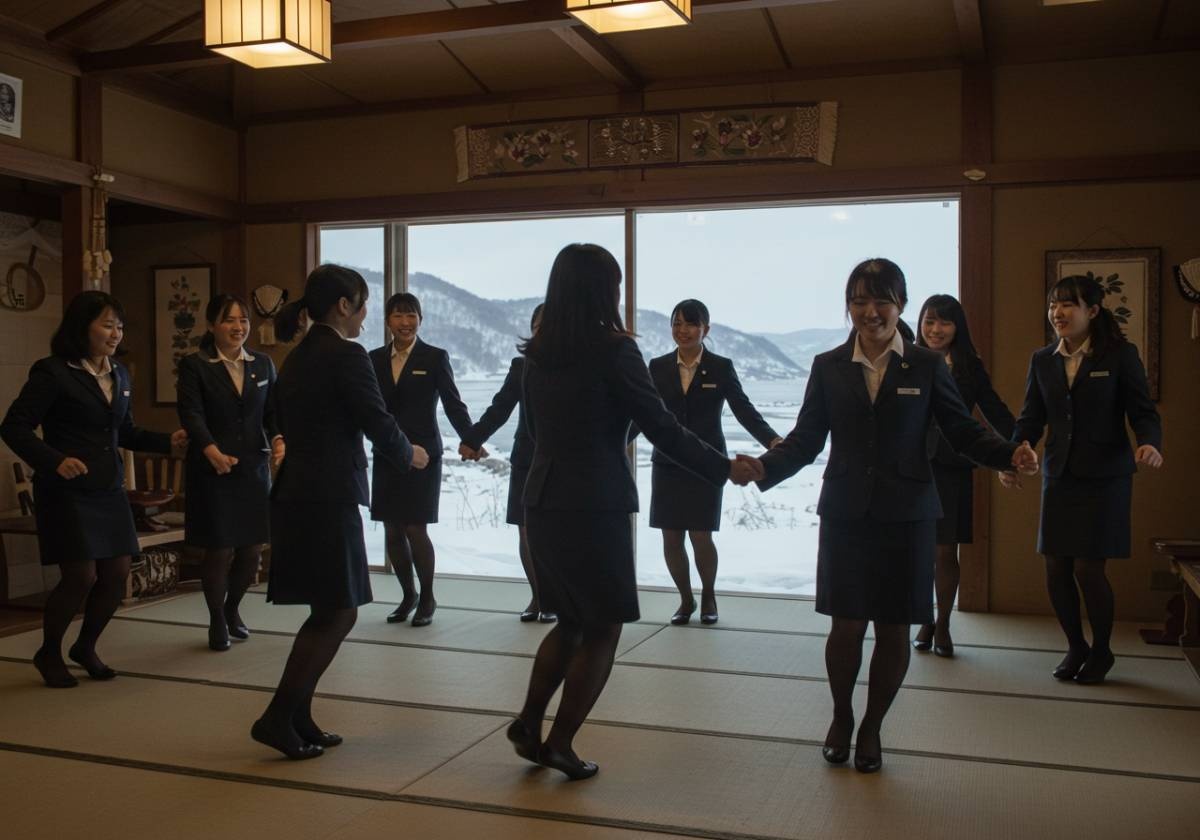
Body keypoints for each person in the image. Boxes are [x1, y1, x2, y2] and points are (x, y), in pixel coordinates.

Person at [732, 258, 1037, 773]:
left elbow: (962, 430)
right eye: (859, 301)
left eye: (881, 301)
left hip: (909, 514)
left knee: (895, 628)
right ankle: (841, 716)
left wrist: (1009, 454)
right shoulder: (828, 365)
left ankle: (873, 727)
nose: (869, 312)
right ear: (847, 306)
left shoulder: (926, 365)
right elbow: (806, 439)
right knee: (846, 626)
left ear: (901, 305)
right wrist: (765, 466)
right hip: (846, 512)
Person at [505, 243, 756, 781]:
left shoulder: (536, 351)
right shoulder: (615, 350)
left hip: (542, 500)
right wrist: (722, 467)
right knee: (603, 626)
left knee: (570, 620)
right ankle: (560, 744)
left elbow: (534, 433)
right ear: (606, 291)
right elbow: (661, 426)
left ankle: (528, 723)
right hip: (595, 505)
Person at [252, 265, 429, 760]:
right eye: (364, 302)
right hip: (328, 496)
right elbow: (376, 418)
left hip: (298, 494)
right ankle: (277, 717)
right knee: (339, 610)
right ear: (344, 305)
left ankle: (298, 716)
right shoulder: (346, 354)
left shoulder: (297, 356)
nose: (367, 314)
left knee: (327, 609)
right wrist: (409, 453)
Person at [1, 291, 187, 688]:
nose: (116, 333)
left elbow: (125, 432)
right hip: (66, 490)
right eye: (107, 325)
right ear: (81, 327)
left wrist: (167, 442)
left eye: (119, 326)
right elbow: (14, 426)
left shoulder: (119, 373)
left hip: (108, 488)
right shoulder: (53, 372)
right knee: (80, 576)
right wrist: (54, 460)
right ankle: (49, 652)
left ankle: (85, 647)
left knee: (117, 573)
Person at [1007, 274, 1162, 685]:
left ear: (1092, 311)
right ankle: (1076, 646)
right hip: (1059, 475)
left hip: (1106, 477)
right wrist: (1014, 454)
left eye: (1067, 304)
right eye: (1053, 305)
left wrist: (1150, 442)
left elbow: (1143, 411)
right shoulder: (1043, 359)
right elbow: (1030, 418)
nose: (1057, 312)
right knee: (1056, 568)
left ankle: (1103, 650)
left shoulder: (1120, 355)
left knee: (1089, 570)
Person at [644, 299, 781, 625]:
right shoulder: (658, 366)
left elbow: (743, 410)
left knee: (701, 535)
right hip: (668, 463)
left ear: (706, 328)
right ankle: (685, 599)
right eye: (677, 323)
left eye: (691, 324)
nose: (683, 330)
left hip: (708, 464)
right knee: (671, 537)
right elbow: (644, 414)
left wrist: (773, 441)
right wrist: (616, 442)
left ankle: (708, 595)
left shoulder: (720, 366)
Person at [177, 294, 284, 652]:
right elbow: (191, 413)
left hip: (252, 469)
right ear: (211, 325)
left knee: (252, 549)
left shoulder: (263, 364)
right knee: (219, 549)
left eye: (243, 321)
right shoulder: (195, 365)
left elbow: (273, 413)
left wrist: (279, 439)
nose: (238, 328)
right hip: (212, 469)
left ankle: (232, 608)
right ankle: (216, 620)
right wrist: (210, 450)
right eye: (229, 320)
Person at [912, 294, 1015, 656]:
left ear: (958, 328)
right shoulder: (908, 359)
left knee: (944, 550)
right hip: (912, 466)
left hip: (952, 465)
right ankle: (923, 616)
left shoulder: (969, 366)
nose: (935, 329)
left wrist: (1015, 451)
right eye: (929, 321)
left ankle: (942, 623)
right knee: (917, 549)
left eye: (944, 322)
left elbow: (995, 410)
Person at [369, 293, 474, 627]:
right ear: (387, 321)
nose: (405, 322)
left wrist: (471, 438)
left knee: (415, 526)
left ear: (420, 319)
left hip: (425, 454)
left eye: (411, 315)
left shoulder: (434, 357)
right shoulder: (373, 359)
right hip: (388, 453)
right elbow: (368, 408)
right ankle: (408, 595)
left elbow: (453, 404)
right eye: (398, 316)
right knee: (392, 528)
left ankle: (427, 597)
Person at [458, 304, 555, 623]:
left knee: (555, 533)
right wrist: (473, 439)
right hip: (526, 458)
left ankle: (555, 597)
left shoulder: (576, 366)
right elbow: (500, 408)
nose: (543, 330)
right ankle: (539, 597)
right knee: (526, 531)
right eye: (538, 325)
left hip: (563, 462)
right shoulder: (521, 366)